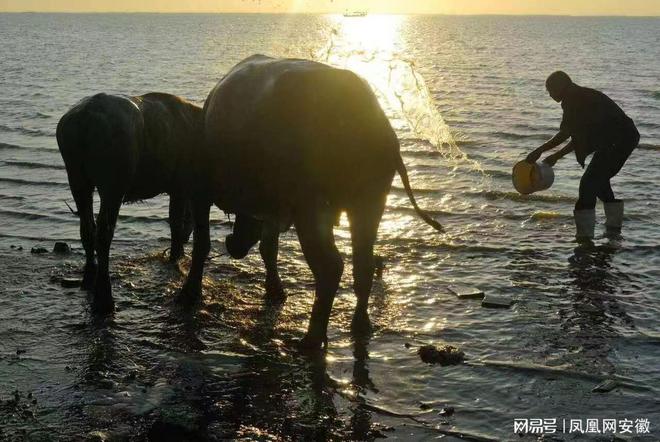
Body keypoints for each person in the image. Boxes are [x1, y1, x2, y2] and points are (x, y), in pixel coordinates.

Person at [526, 71, 639, 241]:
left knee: (588, 185)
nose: (549, 95)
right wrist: (556, 155)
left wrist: (540, 150)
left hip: (620, 140)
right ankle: (613, 232)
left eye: (550, 90)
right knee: (598, 182)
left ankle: (584, 240)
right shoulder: (577, 96)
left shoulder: (574, 99)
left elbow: (566, 133)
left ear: (561, 86)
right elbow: (579, 136)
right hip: (614, 139)